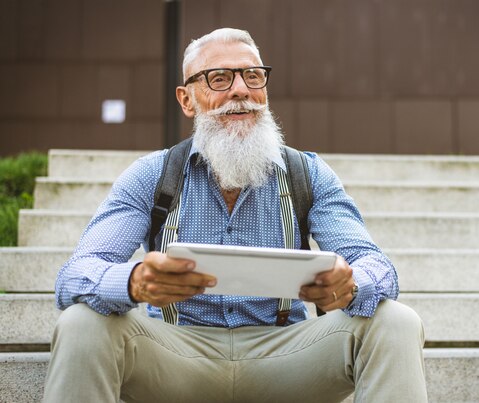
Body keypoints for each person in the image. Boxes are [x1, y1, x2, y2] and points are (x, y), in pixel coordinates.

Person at [43, 28, 427, 403]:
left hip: (287, 358)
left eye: (253, 76)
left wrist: (352, 284)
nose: (241, 90)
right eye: (220, 78)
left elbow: (378, 267)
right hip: (175, 356)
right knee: (81, 323)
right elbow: (75, 275)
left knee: (397, 321)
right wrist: (134, 282)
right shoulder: (152, 175)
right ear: (187, 100)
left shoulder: (307, 174)